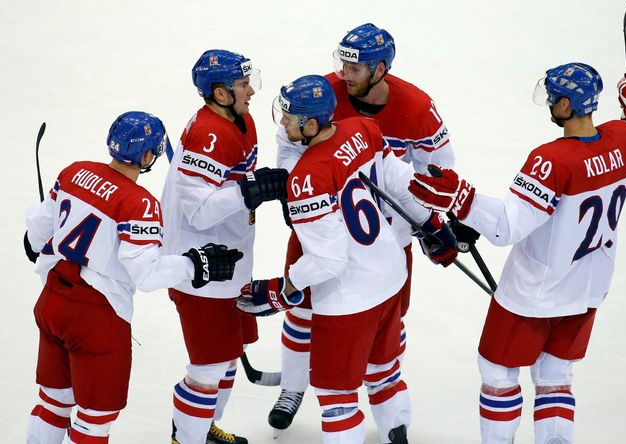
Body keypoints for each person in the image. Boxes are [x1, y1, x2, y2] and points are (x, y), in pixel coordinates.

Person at [408, 64, 626, 443]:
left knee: (497, 372)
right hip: (588, 289)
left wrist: (461, 199)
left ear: (566, 104)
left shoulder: (552, 160)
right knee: (555, 376)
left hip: (533, 295)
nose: (548, 102)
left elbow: (507, 227)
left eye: (551, 97)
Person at [239, 74, 458, 444]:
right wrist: (431, 223)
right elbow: (402, 183)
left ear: (311, 124)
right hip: (390, 276)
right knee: (384, 369)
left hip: (348, 301)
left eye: (290, 118)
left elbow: (328, 260)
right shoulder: (363, 130)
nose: (283, 123)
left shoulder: (307, 179)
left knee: (338, 399)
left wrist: (282, 289)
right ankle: (396, 428)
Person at [23, 111, 243, 444]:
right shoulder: (138, 203)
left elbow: (38, 234)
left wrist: (33, 241)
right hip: (96, 318)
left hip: (52, 302)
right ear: (146, 156)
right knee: (93, 422)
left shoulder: (74, 172)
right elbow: (147, 274)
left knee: (53, 404)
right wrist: (195, 265)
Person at [160, 49, 288, 444]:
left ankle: (204, 429)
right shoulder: (208, 135)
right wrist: (249, 191)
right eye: (242, 84)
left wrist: (247, 190)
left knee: (226, 359)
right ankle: (188, 438)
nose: (251, 90)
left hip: (229, 260)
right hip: (202, 269)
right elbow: (197, 212)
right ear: (219, 93)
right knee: (208, 367)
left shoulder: (239, 119)